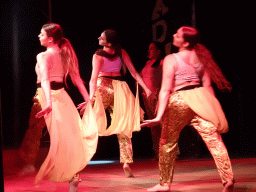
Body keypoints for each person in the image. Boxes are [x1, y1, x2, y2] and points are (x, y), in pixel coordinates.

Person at [141, 26, 234, 192]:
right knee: (215, 141)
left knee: (167, 143)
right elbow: (207, 86)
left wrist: (158, 116)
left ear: (185, 42)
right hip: (200, 99)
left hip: (179, 100)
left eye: (177, 34)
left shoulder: (171, 58)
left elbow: (165, 89)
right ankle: (227, 179)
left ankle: (164, 184)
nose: (173, 35)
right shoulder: (202, 57)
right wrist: (211, 107)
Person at [21, 23, 98, 192]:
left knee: (37, 130)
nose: (39, 36)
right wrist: (88, 99)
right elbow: (77, 79)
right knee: (69, 139)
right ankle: (73, 177)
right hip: (63, 97)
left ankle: (30, 164)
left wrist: (48, 103)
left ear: (50, 39)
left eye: (41, 34)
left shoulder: (43, 56)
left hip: (45, 96)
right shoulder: (65, 53)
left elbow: (46, 80)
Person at [79, 29, 151, 177]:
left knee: (89, 123)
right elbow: (134, 73)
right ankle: (126, 162)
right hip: (120, 89)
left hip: (102, 87)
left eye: (102, 37)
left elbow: (93, 79)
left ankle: (80, 159)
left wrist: (89, 99)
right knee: (124, 128)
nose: (98, 37)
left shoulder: (98, 55)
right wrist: (146, 88)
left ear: (109, 43)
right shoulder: (121, 52)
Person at [140, 41, 164, 160]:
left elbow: (164, 79)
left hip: (156, 96)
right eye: (149, 48)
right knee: (153, 126)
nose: (149, 51)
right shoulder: (148, 63)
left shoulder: (162, 63)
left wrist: (158, 94)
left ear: (159, 51)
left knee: (162, 124)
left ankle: (170, 152)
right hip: (147, 97)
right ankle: (158, 152)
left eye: (152, 48)